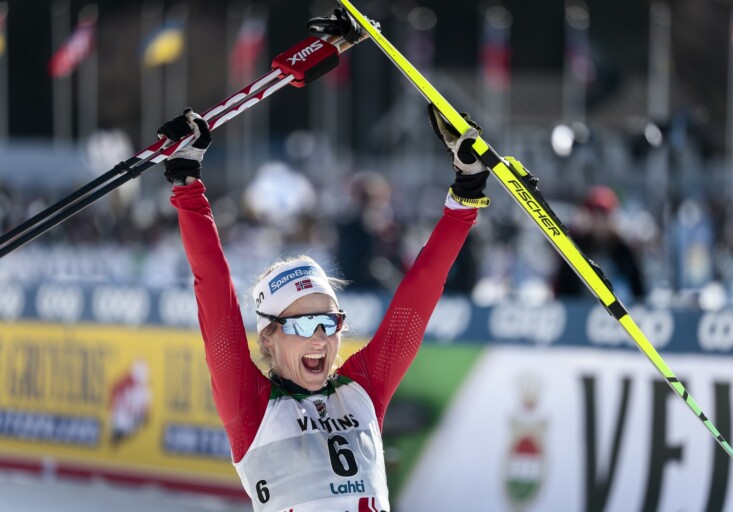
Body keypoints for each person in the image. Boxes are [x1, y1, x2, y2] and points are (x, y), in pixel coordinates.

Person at [160, 99, 491, 509]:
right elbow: (212, 288)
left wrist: (465, 193)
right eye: (301, 324)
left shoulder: (362, 389)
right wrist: (187, 183)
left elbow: (417, 297)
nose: (320, 338)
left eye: (329, 322)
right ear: (268, 337)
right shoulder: (250, 407)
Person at [553, 185, 645, 300]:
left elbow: (638, 289)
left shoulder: (623, 249)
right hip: (580, 307)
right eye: (595, 214)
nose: (599, 220)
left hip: (617, 306)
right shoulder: (576, 246)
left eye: (604, 214)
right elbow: (563, 287)